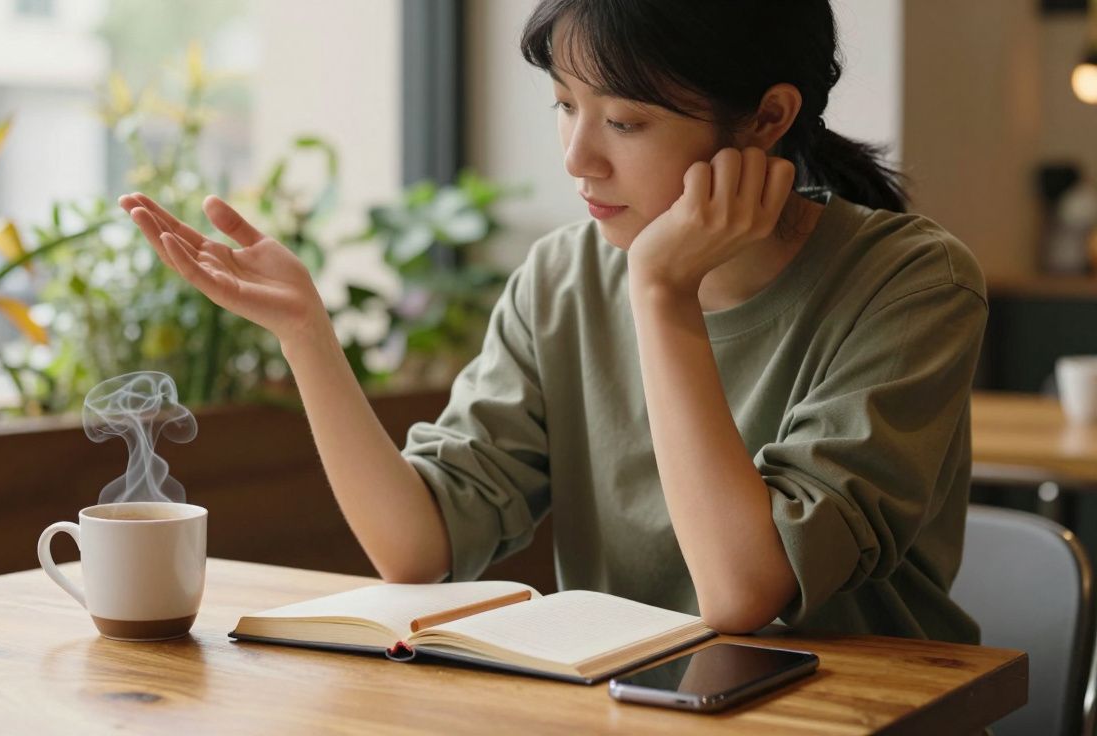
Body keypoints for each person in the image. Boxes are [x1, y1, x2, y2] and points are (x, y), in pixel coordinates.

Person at [118, 0, 986, 642]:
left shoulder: (912, 283)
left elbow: (742, 595)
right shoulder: (563, 276)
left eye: (625, 120)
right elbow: (417, 547)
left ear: (768, 118)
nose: (577, 157)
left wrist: (659, 294)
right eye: (565, 106)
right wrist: (306, 333)